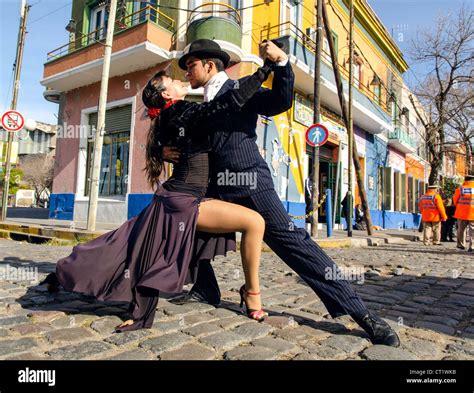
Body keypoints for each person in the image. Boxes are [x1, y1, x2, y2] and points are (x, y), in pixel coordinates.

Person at [165, 39, 400, 347]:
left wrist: (282, 64)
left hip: (250, 184)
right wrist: (172, 152)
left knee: (294, 245)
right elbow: (197, 143)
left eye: (191, 66)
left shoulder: (240, 90)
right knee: (187, 222)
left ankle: (362, 314)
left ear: (209, 65)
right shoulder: (200, 104)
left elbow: (279, 101)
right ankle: (205, 290)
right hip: (214, 187)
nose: (186, 73)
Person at [39, 59, 276, 332]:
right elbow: (222, 106)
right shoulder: (180, 112)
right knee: (254, 222)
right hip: (184, 200)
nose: (180, 79)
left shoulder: (172, 115)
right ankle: (252, 296)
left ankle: (64, 273)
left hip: (185, 196)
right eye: (173, 80)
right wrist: (264, 71)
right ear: (167, 94)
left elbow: (188, 130)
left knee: (120, 247)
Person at [453, 174, 474, 252]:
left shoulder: (460, 189)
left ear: (465, 180)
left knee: (461, 229)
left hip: (462, 212)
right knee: (473, 230)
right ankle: (472, 246)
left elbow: (455, 200)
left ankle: (461, 245)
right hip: (473, 213)